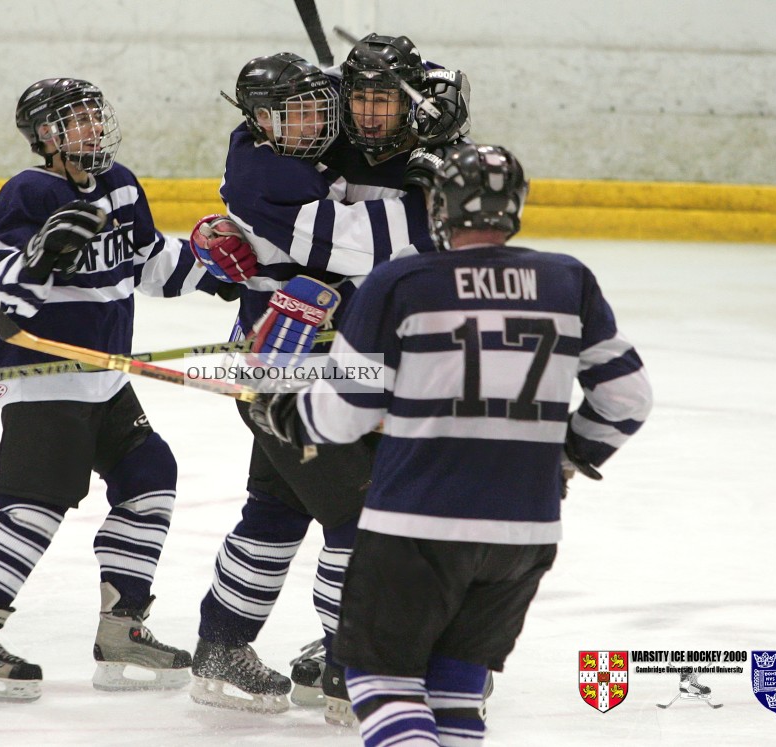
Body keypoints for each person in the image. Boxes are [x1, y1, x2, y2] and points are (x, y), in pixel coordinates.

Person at [249, 142, 654, 745]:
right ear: (514, 206)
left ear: (440, 207)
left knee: (378, 684)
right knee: (455, 691)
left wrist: (286, 411)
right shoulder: (568, 280)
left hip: (419, 522)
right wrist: (567, 457)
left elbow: (345, 413)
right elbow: (626, 399)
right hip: (525, 532)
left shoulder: (402, 281)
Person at [0, 77, 256, 701]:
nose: (92, 128)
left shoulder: (121, 183)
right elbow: (1, 293)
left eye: (93, 116)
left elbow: (151, 267)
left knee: (149, 478)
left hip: (105, 380)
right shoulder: (26, 193)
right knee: (37, 504)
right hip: (44, 380)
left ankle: (122, 627)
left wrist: (216, 271)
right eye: (75, 121)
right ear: (46, 138)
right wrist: (40, 256)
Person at [190, 40, 470, 723]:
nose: (363, 115)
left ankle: (222, 648)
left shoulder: (363, 143)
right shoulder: (267, 157)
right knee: (361, 519)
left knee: (276, 512)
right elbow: (356, 245)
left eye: (383, 100)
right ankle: (353, 667)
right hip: (290, 378)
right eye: (360, 99)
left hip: (364, 374)